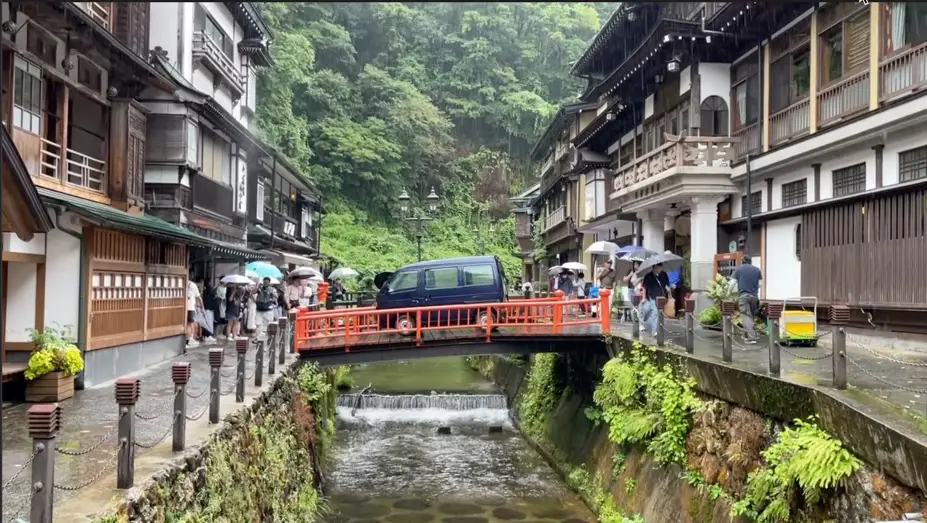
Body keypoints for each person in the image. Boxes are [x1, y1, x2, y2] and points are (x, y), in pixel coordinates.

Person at [731, 255, 763, 344]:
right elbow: (760, 284)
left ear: (742, 261)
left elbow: (732, 283)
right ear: (750, 261)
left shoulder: (739, 269)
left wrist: (729, 292)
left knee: (746, 315)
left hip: (743, 296)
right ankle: (746, 335)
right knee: (750, 316)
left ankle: (752, 337)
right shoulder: (757, 270)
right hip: (754, 296)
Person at [639, 263, 671, 337]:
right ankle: (642, 322)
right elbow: (644, 287)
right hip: (651, 296)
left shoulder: (664, 274)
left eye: (661, 267)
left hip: (660, 297)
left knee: (655, 313)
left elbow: (666, 284)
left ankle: (654, 330)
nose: (660, 269)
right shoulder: (649, 276)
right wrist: (643, 297)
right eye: (659, 267)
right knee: (648, 311)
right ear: (654, 267)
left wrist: (668, 290)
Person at [186, 276, 203, 349]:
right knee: (190, 324)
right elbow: (199, 297)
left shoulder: (181, 282)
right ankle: (190, 340)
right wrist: (202, 307)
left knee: (187, 324)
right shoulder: (193, 285)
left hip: (182, 308)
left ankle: (189, 340)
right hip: (190, 307)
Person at [664, 251, 683, 318]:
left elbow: (678, 275)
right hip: (666, 285)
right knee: (665, 299)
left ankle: (675, 313)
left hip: (675, 285)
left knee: (675, 299)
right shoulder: (664, 264)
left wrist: (674, 284)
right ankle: (666, 313)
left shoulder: (676, 264)